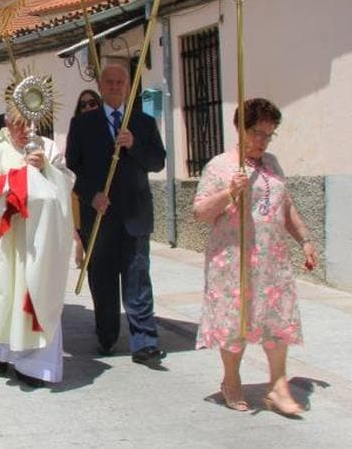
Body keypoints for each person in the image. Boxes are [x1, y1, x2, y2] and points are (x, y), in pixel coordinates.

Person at [192, 98, 317, 416]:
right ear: (239, 128)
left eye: (268, 134)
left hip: (271, 261)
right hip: (232, 261)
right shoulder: (220, 166)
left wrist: (305, 239)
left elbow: (285, 207)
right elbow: (200, 212)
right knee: (235, 323)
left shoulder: (272, 164)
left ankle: (278, 385)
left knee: (276, 321)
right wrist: (229, 193)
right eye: (256, 133)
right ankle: (231, 380)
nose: (262, 141)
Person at [65, 60, 167, 365]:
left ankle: (145, 341)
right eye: (108, 82)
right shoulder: (83, 124)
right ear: (100, 85)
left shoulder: (143, 124)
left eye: (119, 83)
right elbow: (71, 169)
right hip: (99, 216)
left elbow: (157, 161)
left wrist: (134, 144)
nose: (114, 87)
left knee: (138, 278)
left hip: (135, 215)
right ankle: (107, 334)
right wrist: (91, 194)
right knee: (103, 280)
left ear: (127, 87)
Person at [0, 105, 75, 387]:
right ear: (6, 122)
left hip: (40, 240)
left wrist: (46, 169)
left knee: (37, 295)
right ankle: (3, 348)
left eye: (28, 123)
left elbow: (66, 182)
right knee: (6, 296)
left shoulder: (48, 147)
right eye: (16, 123)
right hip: (10, 238)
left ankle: (35, 365)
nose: (23, 129)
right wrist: (22, 177)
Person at [70, 89, 102, 268]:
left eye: (92, 103)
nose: (88, 107)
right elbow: (73, 166)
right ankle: (81, 250)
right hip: (84, 194)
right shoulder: (77, 128)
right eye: (83, 105)